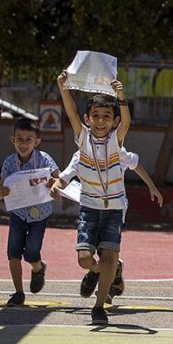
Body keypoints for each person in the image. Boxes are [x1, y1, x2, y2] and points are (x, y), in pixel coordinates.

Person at [57, 70, 131, 325]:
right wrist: (63, 87)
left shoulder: (115, 140)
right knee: (85, 259)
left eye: (107, 117)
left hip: (112, 210)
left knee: (109, 255)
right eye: (96, 116)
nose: (101, 121)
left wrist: (121, 96)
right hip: (89, 208)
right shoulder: (82, 138)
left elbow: (127, 122)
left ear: (114, 121)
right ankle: (98, 272)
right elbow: (70, 113)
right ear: (88, 119)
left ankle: (99, 306)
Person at [53, 147, 163, 304]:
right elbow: (64, 177)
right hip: (90, 209)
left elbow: (135, 163)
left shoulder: (117, 151)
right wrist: (56, 187)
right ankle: (98, 270)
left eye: (106, 120)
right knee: (86, 255)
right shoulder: (81, 154)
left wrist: (151, 186)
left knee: (109, 251)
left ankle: (106, 291)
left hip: (115, 209)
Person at [0, 118, 60, 306]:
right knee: (13, 253)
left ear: (37, 141)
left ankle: (38, 268)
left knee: (31, 253)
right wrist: (1, 193)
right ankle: (18, 292)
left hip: (40, 214)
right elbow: (1, 190)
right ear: (12, 140)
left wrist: (54, 185)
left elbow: (59, 180)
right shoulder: (9, 163)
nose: (23, 144)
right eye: (19, 139)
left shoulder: (44, 159)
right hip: (17, 214)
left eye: (28, 139)